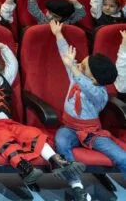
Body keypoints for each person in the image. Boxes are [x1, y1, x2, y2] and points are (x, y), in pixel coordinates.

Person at [0, 38, 78, 186]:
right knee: (5, 140)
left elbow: (13, 64)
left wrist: (3, 47)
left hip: (8, 123)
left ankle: (56, 161)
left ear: (1, 67)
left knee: (33, 133)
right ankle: (26, 169)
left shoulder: (6, 79)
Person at [50, 21, 121, 200]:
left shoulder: (99, 92)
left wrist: (75, 70)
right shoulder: (77, 76)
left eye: (83, 66)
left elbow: (86, 86)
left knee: (120, 155)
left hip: (91, 132)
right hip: (70, 126)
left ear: (95, 79)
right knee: (61, 142)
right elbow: (66, 55)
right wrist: (58, 35)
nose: (78, 65)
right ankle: (76, 185)